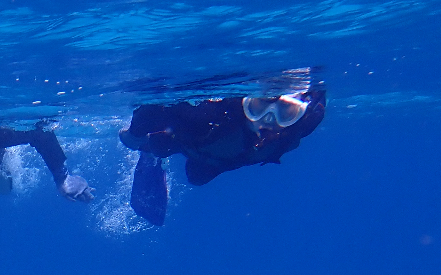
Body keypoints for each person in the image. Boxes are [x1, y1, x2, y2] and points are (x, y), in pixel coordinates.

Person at [118, 87, 326, 226]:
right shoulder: (209, 114)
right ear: (246, 103)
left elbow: (318, 100)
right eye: (259, 106)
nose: (268, 121)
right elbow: (152, 107)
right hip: (192, 140)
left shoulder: (304, 124)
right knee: (161, 147)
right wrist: (133, 136)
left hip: (222, 159)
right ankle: (149, 152)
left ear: (300, 114)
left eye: (287, 112)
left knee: (197, 177)